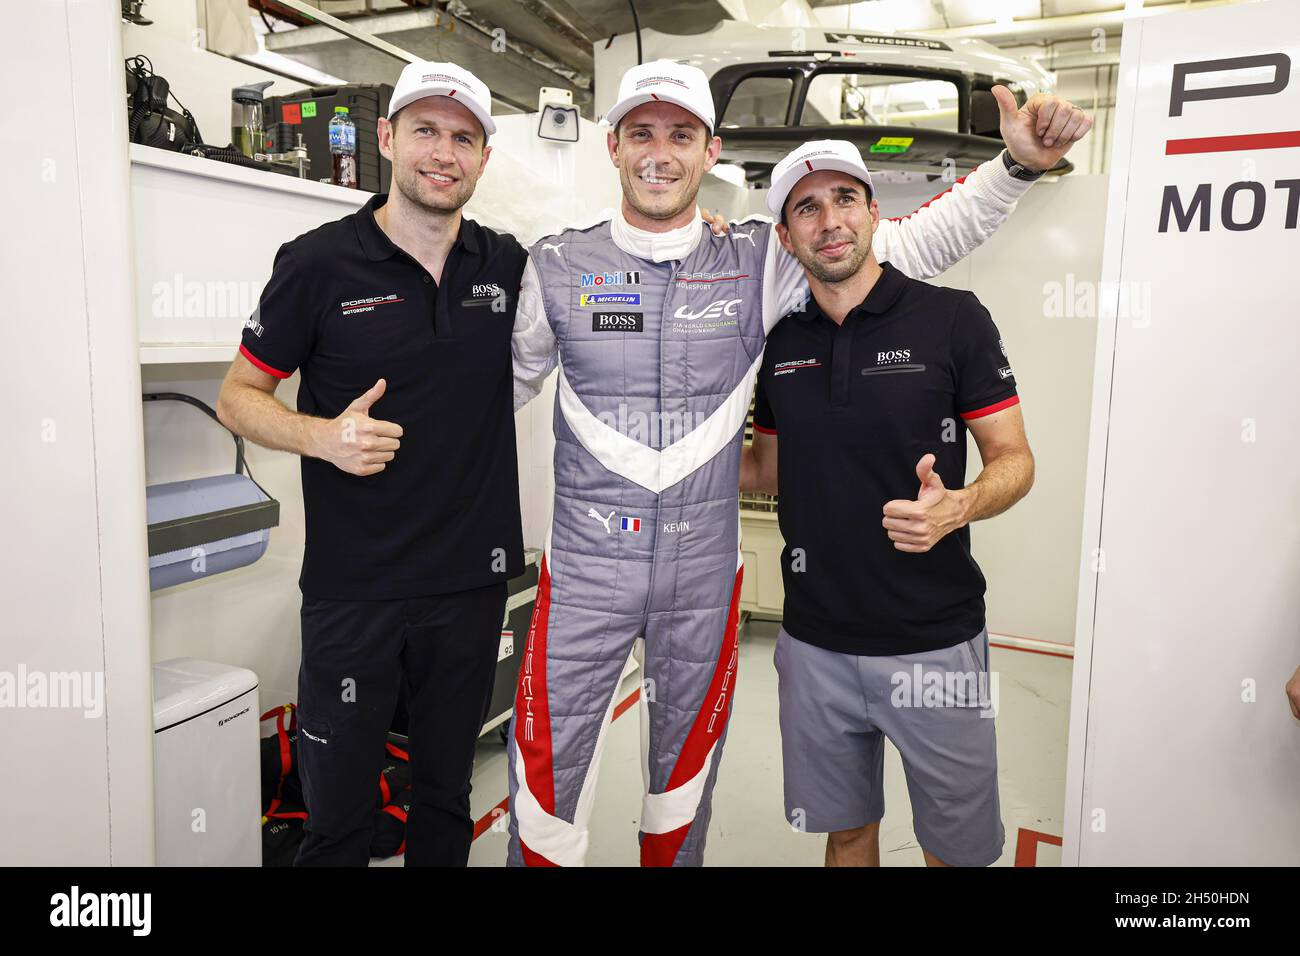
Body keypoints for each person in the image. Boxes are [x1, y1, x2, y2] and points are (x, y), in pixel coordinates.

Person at [507, 59, 1090, 866]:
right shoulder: (556, 264)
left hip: (701, 577)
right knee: (544, 795)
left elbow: (909, 241)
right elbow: (491, 392)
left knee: (681, 787)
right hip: (587, 569)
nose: (660, 153)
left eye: (681, 134)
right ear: (613, 146)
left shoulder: (759, 261)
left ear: (709, 151)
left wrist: (1016, 164)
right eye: (641, 133)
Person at [216, 61, 526, 866]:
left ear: (484, 158)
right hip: (356, 591)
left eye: (464, 137)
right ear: (387, 139)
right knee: (341, 817)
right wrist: (322, 437)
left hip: (469, 584)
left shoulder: (507, 267)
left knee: (445, 803)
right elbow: (237, 396)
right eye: (425, 130)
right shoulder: (318, 263)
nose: (443, 153)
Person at [741, 139, 1036, 867]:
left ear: (875, 212)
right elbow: (765, 469)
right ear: (786, 236)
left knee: (956, 850)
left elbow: (1016, 462)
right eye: (806, 208)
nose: (829, 220)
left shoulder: (953, 319)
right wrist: (652, 457)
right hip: (813, 645)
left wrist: (957, 507)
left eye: (845, 198)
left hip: (933, 641)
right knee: (845, 833)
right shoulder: (780, 344)